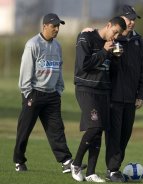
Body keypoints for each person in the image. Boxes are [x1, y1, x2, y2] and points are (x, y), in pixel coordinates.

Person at [13, 13, 76, 173]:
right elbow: (25, 72)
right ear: (44, 26)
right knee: (25, 129)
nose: (56, 29)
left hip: (52, 95)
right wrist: (28, 93)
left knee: (56, 129)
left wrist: (59, 89)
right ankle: (19, 161)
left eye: (58, 26)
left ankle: (66, 161)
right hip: (34, 94)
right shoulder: (33, 44)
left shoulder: (57, 46)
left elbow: (59, 68)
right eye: (53, 26)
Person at [71, 16, 126, 182]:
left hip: (103, 90)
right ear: (108, 25)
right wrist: (104, 51)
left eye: (119, 35)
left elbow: (112, 72)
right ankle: (76, 163)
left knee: (99, 129)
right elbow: (84, 65)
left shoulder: (113, 45)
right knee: (94, 126)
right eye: (115, 32)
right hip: (86, 88)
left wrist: (116, 58)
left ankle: (91, 172)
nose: (115, 37)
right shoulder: (86, 37)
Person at [105, 5, 143, 182]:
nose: (131, 22)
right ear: (121, 19)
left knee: (125, 135)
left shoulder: (139, 41)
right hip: (113, 96)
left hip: (131, 97)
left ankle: (114, 168)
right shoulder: (113, 39)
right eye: (128, 19)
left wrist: (141, 94)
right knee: (113, 135)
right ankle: (112, 169)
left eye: (133, 19)